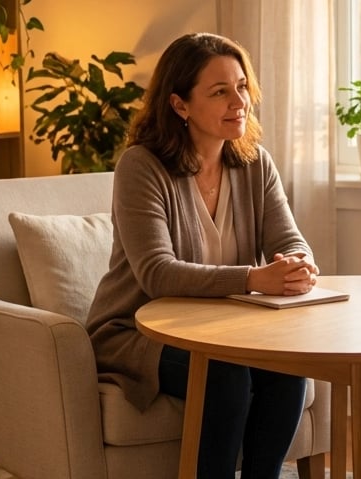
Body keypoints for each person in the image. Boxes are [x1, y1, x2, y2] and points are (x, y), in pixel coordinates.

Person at [85, 32, 319, 479]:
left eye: (242, 86)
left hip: (226, 328)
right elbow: (157, 274)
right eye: (219, 92)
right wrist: (253, 278)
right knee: (223, 373)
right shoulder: (141, 167)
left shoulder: (255, 164)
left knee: (288, 368)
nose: (239, 101)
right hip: (138, 332)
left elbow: (291, 240)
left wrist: (297, 264)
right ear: (180, 105)